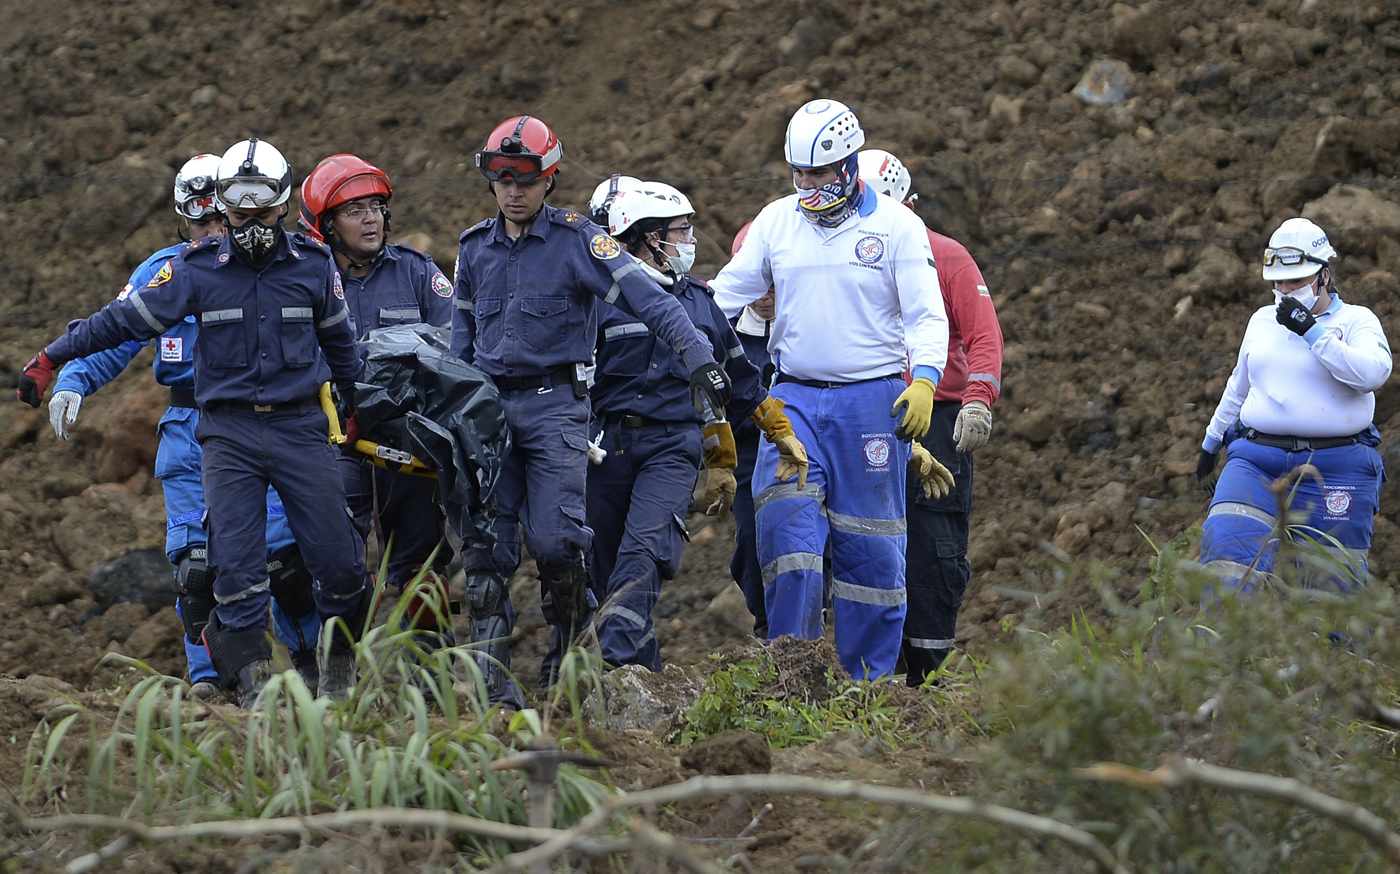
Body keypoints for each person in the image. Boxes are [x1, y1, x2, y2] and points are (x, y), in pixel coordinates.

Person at [18, 138, 371, 708]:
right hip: (218, 430)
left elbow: (342, 346)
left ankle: (328, 672)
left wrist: (358, 414)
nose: (242, 224)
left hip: (299, 426)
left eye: (259, 211)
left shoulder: (313, 265)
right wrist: (58, 361)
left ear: (282, 204)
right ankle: (234, 689)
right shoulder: (186, 271)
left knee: (326, 563)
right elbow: (117, 326)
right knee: (216, 570)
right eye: (231, 212)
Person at [450, 116, 730, 705]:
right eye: (500, 178)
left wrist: (699, 357)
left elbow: (652, 299)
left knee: (558, 546)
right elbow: (461, 340)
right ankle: (491, 694)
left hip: (558, 409)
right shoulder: (473, 249)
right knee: (486, 554)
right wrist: (452, 411)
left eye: (524, 178)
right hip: (489, 410)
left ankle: (574, 664)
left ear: (548, 179)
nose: (512, 190)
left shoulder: (579, 242)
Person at [710, 99, 952, 681]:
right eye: (798, 173)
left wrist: (925, 381)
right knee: (785, 527)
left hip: (872, 403)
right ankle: (792, 673)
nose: (806, 185)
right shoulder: (777, 222)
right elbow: (722, 296)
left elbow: (926, 315)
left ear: (848, 165)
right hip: (792, 400)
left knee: (871, 548)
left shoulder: (897, 226)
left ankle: (866, 685)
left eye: (818, 174)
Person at [584, 182, 806, 672]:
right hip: (604, 446)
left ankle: (613, 655)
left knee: (645, 549)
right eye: (681, 230)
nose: (691, 239)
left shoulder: (700, 302)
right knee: (602, 567)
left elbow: (741, 379)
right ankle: (641, 681)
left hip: (672, 446)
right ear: (648, 238)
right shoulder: (599, 300)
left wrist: (779, 430)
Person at [858, 149, 1005, 685]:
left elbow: (983, 333)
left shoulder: (947, 257)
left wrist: (977, 398)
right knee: (863, 533)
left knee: (933, 542)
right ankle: (869, 666)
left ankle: (926, 674)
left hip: (936, 414)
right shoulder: (850, 253)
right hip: (867, 410)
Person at [298, 154, 456, 647]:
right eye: (354, 210)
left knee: (423, 573)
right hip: (333, 444)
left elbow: (456, 348)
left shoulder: (416, 272)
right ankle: (342, 681)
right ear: (325, 224)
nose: (370, 219)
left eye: (376, 207)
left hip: (406, 445)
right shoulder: (302, 278)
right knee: (336, 567)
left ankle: (430, 683)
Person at [1196, 218, 1390, 591]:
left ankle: (1334, 651)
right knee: (1226, 562)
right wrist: (1211, 441)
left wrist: (1312, 332)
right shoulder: (1262, 321)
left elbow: (1373, 374)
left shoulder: (1356, 321)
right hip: (1256, 460)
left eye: (1296, 282)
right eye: (1278, 283)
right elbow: (1239, 385)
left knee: (1331, 590)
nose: (1285, 291)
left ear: (1324, 276)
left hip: (1336, 467)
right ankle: (1221, 648)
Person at [725, 222, 776, 640]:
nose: (766, 293)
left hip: (812, 451)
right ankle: (769, 632)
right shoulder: (727, 333)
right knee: (753, 547)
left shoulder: (816, 327)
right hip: (748, 457)